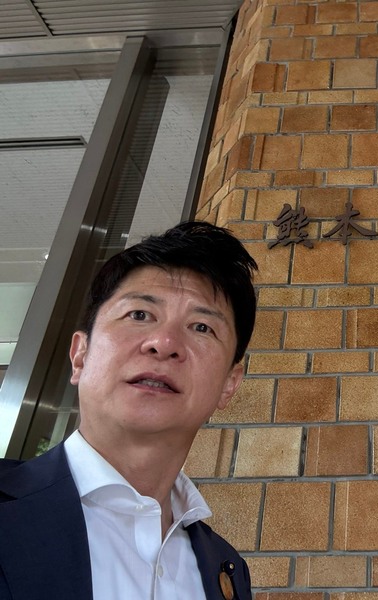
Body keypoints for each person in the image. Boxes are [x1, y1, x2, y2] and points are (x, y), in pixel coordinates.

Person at [0, 222, 258, 600]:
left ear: (229, 384)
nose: (164, 343)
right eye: (139, 314)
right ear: (80, 355)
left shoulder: (228, 570)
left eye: (202, 327)